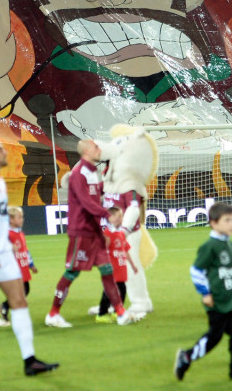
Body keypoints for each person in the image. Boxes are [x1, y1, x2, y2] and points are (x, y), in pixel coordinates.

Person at [0, 136, 58, 376]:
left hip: (3, 255)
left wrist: (7, 246)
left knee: (19, 301)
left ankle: (30, 361)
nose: (5, 152)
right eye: (0, 149)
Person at [46, 139, 133, 328]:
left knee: (107, 270)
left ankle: (120, 312)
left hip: (95, 232)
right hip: (81, 232)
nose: (99, 149)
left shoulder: (93, 172)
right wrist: (106, 215)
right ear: (86, 151)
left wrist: (112, 181)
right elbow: (86, 202)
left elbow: (97, 193)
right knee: (72, 272)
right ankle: (53, 314)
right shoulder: (78, 173)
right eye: (96, 147)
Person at [174, 202, 232, 381]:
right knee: (214, 338)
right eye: (227, 220)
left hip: (230, 301)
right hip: (217, 302)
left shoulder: (228, 244)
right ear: (214, 223)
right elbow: (196, 270)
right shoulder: (210, 246)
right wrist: (205, 293)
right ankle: (186, 357)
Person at [96, 206, 135, 321]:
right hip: (111, 270)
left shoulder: (121, 234)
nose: (121, 218)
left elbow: (126, 250)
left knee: (122, 290)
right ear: (111, 218)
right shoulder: (106, 234)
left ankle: (117, 311)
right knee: (109, 292)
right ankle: (101, 314)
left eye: (121, 216)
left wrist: (133, 265)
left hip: (121, 269)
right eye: (119, 216)